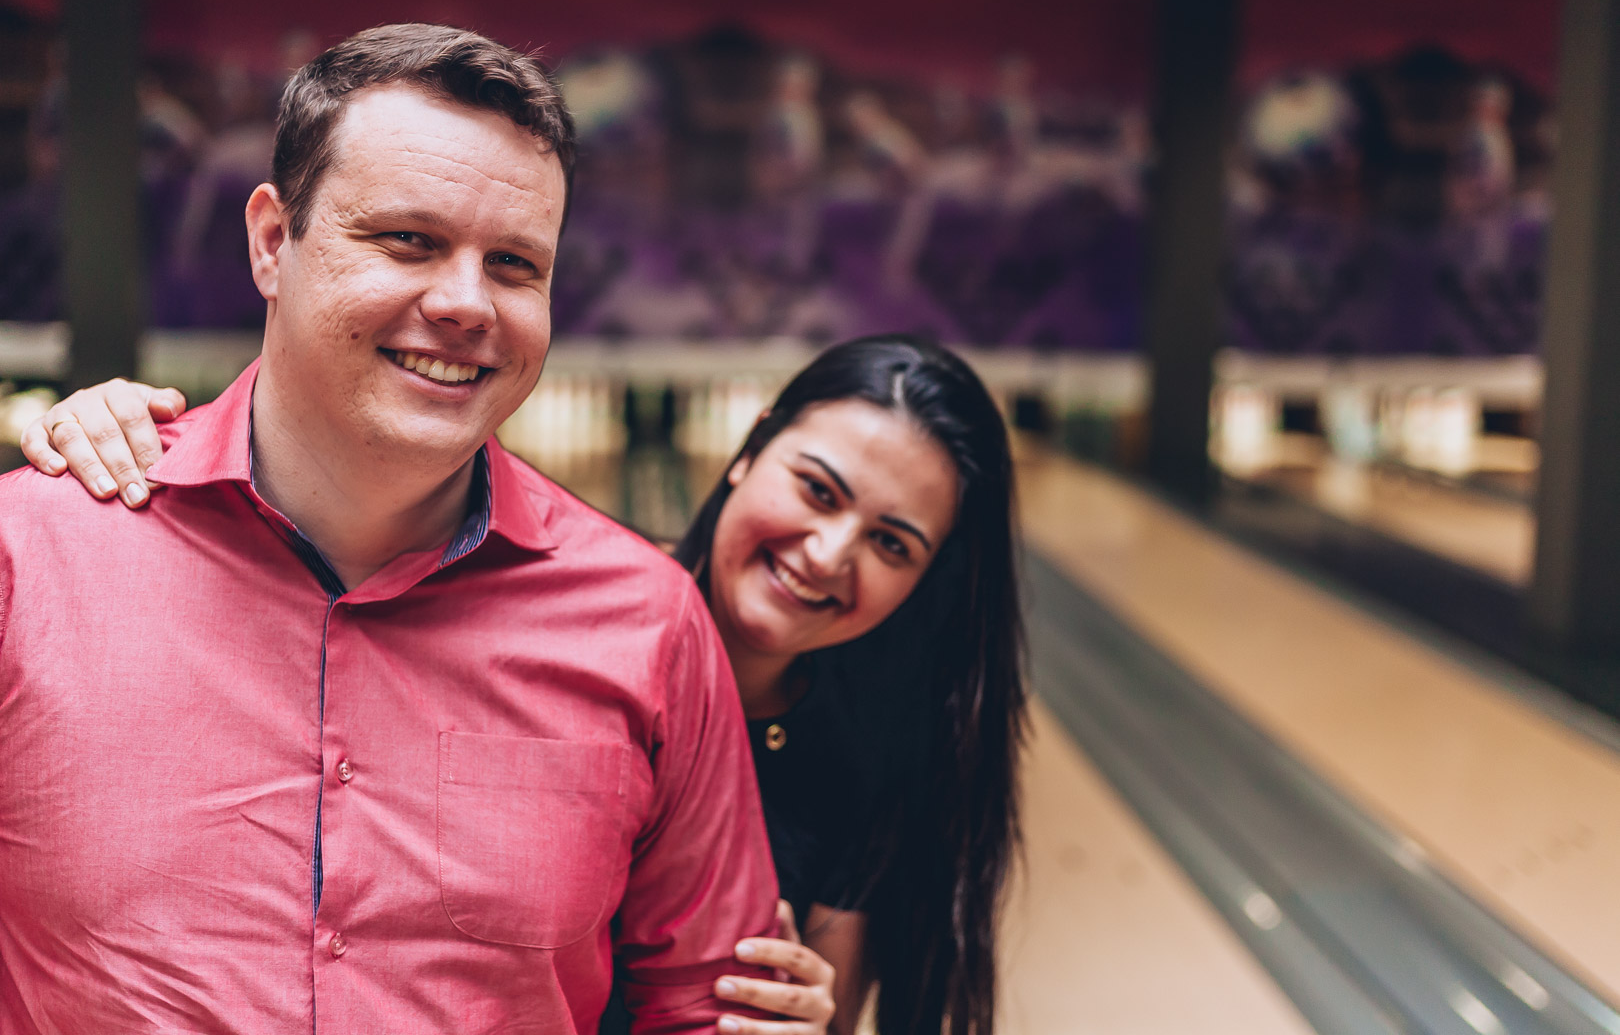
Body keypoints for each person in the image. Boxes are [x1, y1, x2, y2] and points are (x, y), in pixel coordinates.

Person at [0, 23, 798, 1035]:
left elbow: (706, 1008)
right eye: (408, 241)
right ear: (271, 242)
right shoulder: (29, 557)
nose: (466, 303)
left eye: (514, 264)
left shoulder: (648, 625)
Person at [24, 332, 1027, 1035]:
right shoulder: (575, 624)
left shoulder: (870, 771)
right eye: (817, 488)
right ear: (755, 439)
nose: (828, 552)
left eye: (891, 543)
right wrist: (118, 449)